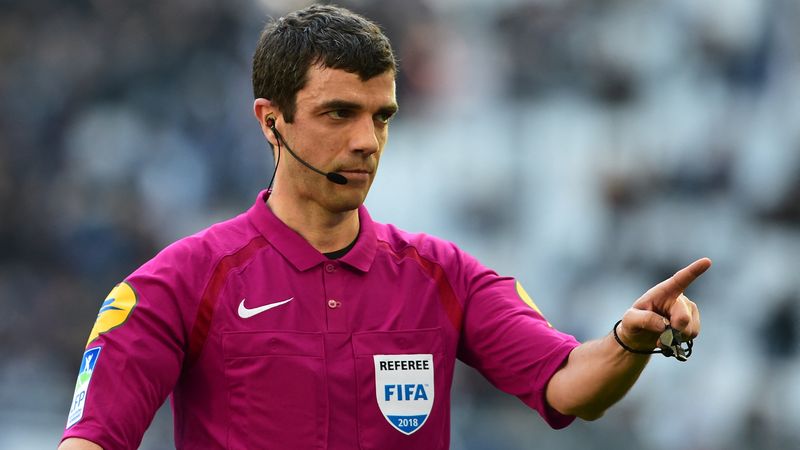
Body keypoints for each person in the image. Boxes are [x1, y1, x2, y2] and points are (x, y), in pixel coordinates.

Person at [59, 4, 711, 449]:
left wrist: (631, 341)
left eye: (382, 116)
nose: (368, 140)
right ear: (270, 120)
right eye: (340, 113)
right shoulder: (178, 283)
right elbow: (91, 440)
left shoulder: (444, 275)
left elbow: (572, 385)